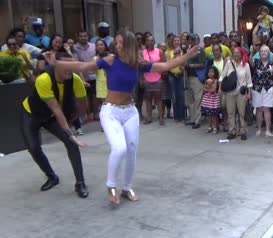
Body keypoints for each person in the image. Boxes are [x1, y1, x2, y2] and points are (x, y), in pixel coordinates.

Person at [43, 29, 200, 204]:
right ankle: (111, 186)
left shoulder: (138, 64)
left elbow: (164, 66)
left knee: (131, 149)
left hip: (130, 112)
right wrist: (55, 63)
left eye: (121, 43)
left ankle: (127, 188)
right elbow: (83, 66)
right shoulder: (111, 60)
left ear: (130, 44)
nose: (117, 46)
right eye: (116, 43)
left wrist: (187, 56)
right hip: (110, 111)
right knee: (119, 148)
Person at [20, 52, 89, 198]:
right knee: (33, 148)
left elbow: (83, 104)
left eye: (72, 64)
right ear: (55, 65)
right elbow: (56, 109)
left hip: (51, 116)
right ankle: (52, 177)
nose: (70, 68)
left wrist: (74, 119)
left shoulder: (75, 79)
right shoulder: (43, 79)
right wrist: (70, 132)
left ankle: (80, 183)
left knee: (71, 144)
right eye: (65, 65)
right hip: (32, 114)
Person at [219, 47, 253, 140]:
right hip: (230, 92)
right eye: (234, 53)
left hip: (241, 92)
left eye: (238, 53)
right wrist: (220, 89)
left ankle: (243, 131)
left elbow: (249, 81)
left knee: (242, 113)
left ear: (241, 54)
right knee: (230, 112)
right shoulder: (229, 63)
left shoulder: (246, 65)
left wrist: (249, 93)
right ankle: (232, 131)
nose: (236, 54)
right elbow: (222, 76)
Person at [250, 45, 273, 137]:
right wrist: (251, 52)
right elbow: (250, 62)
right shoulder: (256, 62)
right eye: (261, 51)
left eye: (265, 51)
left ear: (269, 53)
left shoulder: (272, 63)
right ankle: (259, 129)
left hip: (268, 88)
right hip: (257, 88)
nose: (263, 53)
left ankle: (268, 130)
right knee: (259, 109)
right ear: (259, 53)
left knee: (267, 109)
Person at [72, 30, 97, 121]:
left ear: (88, 36)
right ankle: (85, 115)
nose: (83, 38)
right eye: (81, 36)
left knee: (95, 96)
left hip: (94, 75)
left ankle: (95, 114)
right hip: (82, 75)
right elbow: (76, 63)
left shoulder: (94, 46)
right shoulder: (74, 48)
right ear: (78, 37)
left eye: (85, 36)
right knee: (84, 97)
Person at [142, 35, 166, 125]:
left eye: (152, 41)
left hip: (158, 77)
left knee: (159, 98)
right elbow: (140, 65)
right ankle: (149, 117)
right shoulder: (143, 52)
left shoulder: (159, 51)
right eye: (148, 40)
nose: (150, 42)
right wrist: (141, 78)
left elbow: (164, 63)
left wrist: (162, 75)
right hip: (147, 77)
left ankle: (161, 117)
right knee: (148, 99)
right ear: (146, 42)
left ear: (154, 42)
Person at [185, 33, 207, 129]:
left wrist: (191, 65)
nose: (190, 41)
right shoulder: (187, 50)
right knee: (190, 99)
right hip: (187, 76)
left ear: (195, 40)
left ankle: (197, 120)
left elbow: (202, 64)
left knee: (198, 99)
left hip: (196, 76)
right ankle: (192, 118)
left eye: (192, 39)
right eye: (188, 39)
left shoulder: (199, 50)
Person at [167, 36, 186, 122]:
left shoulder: (184, 52)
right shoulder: (168, 52)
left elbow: (184, 64)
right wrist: (175, 55)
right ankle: (176, 116)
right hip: (172, 75)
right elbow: (167, 64)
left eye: (178, 40)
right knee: (174, 96)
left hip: (181, 75)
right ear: (172, 42)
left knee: (181, 95)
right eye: (175, 40)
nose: (177, 42)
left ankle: (182, 116)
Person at [201, 66, 221, 133]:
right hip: (207, 99)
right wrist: (208, 89)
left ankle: (215, 127)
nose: (210, 73)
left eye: (212, 72)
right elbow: (204, 89)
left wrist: (208, 89)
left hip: (213, 100)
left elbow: (214, 89)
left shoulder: (215, 80)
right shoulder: (206, 80)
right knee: (208, 115)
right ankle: (210, 127)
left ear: (215, 73)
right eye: (209, 72)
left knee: (214, 115)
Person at [94, 39, 109, 103]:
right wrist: (97, 59)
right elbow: (92, 71)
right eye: (97, 45)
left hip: (111, 82)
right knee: (105, 104)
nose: (99, 46)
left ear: (105, 46)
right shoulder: (94, 58)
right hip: (101, 84)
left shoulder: (111, 56)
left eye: (101, 45)